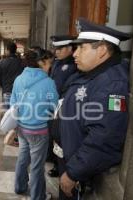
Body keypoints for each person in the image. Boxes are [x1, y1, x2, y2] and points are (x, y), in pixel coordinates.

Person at [54, 18, 131, 199]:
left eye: (82, 47)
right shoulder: (91, 75)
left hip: (81, 172)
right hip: (71, 160)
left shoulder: (111, 84)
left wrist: (73, 172)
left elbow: (104, 137)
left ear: (102, 50)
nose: (75, 54)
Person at [11, 50, 58, 200]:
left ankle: (19, 187)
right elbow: (54, 106)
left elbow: (13, 104)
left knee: (23, 159)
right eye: (49, 63)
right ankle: (38, 196)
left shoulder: (19, 79)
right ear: (41, 62)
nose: (50, 66)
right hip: (38, 130)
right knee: (37, 166)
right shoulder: (48, 82)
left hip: (22, 128)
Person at [48, 35, 78, 178]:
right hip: (52, 102)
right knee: (53, 133)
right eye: (55, 48)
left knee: (60, 136)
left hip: (63, 105)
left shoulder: (74, 65)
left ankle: (59, 165)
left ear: (70, 49)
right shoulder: (57, 63)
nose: (56, 51)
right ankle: (54, 160)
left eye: (60, 49)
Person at [0, 42, 23, 109]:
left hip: (7, 89)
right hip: (19, 90)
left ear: (8, 50)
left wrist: (3, 86)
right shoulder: (22, 62)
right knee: (18, 110)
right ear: (15, 50)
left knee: (8, 112)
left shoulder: (2, 62)